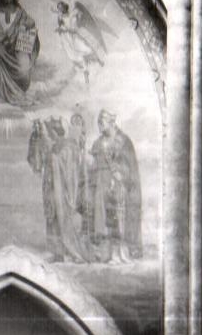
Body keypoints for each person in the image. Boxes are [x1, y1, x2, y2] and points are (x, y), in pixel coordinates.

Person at [27, 115, 90, 262]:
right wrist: (36, 137)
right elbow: (39, 163)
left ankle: (74, 253)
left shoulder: (68, 147)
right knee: (52, 218)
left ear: (55, 132)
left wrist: (53, 159)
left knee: (64, 219)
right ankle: (57, 253)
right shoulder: (54, 147)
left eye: (50, 133)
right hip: (52, 189)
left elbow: (70, 170)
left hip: (63, 191)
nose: (49, 135)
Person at [87, 108, 142, 261]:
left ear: (111, 122)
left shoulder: (123, 141)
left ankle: (120, 254)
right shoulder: (98, 143)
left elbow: (129, 166)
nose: (99, 126)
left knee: (117, 218)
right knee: (102, 220)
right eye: (98, 123)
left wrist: (120, 174)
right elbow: (93, 165)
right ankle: (104, 254)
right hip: (100, 184)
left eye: (102, 122)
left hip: (117, 185)